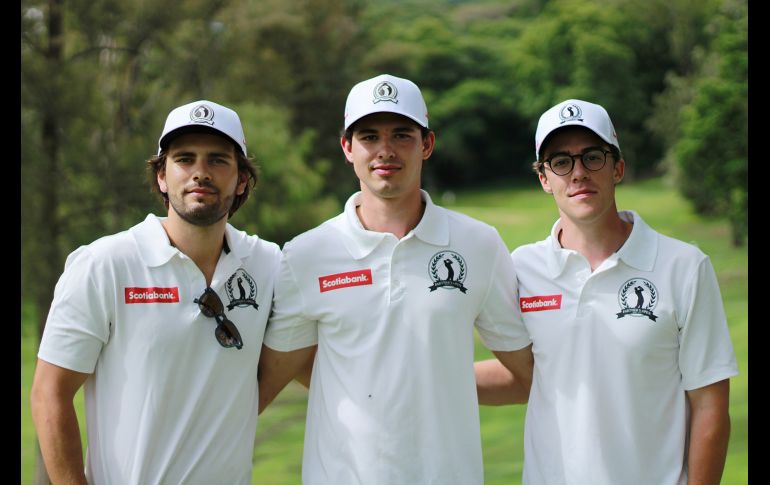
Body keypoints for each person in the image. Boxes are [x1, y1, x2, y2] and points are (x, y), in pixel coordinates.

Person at [257, 74, 534, 484]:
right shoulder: (306, 255)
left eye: (402, 135)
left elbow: (525, 376)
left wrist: (434, 382)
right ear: (347, 147)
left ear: (427, 144)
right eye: (369, 136)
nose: (385, 150)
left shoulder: (479, 245)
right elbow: (269, 381)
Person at [475, 99, 739, 484]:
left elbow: (710, 405)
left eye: (592, 157)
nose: (578, 172)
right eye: (561, 162)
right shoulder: (520, 269)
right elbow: (528, 375)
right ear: (544, 178)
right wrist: (431, 374)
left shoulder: (683, 266)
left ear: (617, 168)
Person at [30, 100, 282, 484]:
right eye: (184, 159)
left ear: (242, 179)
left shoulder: (269, 264)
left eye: (217, 160)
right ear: (162, 176)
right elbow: (49, 393)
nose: (200, 172)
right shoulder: (105, 263)